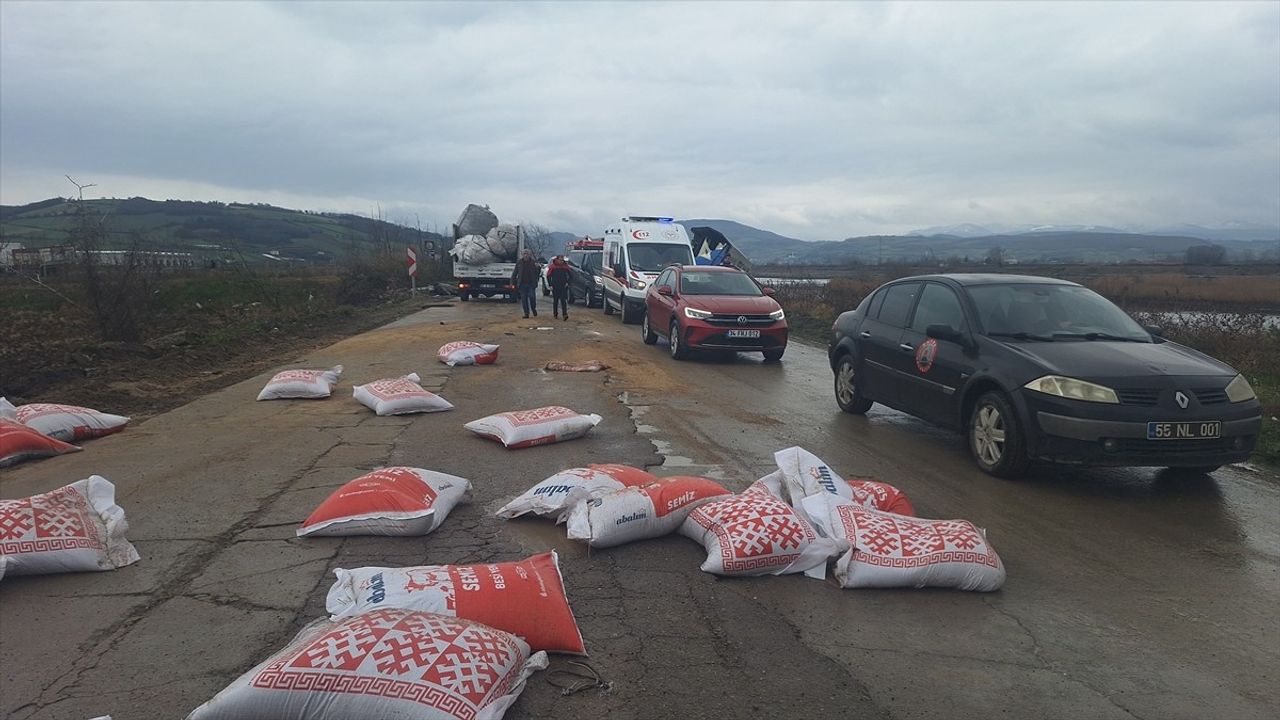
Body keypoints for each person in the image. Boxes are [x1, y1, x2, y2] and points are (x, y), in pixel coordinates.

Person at [512, 249, 541, 318]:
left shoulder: (533, 262)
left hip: (531, 284)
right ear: (522, 255)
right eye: (524, 253)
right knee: (524, 300)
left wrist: (538, 268)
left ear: (529, 255)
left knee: (532, 297)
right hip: (522, 284)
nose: (526, 255)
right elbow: (515, 273)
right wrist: (512, 282)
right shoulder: (519, 262)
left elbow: (537, 273)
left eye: (527, 253)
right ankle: (526, 313)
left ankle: (533, 309)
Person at [548, 254, 572, 320]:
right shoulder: (552, 267)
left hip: (563, 286)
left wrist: (568, 283)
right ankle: (555, 314)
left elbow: (570, 275)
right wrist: (550, 285)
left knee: (563, 300)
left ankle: (565, 314)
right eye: (560, 259)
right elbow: (548, 276)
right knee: (555, 301)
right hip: (555, 286)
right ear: (557, 259)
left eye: (562, 259)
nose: (561, 261)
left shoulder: (565, 266)